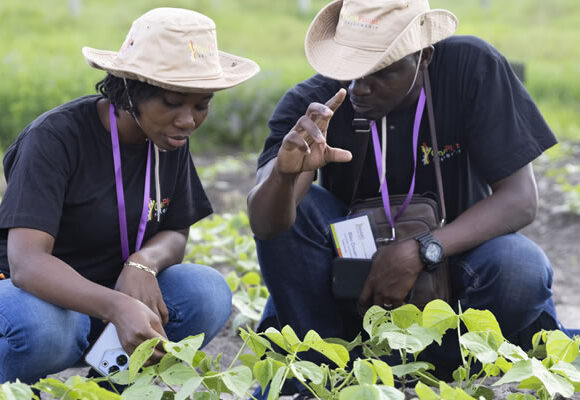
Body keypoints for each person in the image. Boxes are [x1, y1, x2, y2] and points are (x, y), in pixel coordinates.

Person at [247, 0, 578, 389]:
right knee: (298, 210)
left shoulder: (470, 68)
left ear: (423, 58)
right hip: (355, 281)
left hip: (455, 266)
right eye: (352, 69)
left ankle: (444, 364)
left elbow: (520, 199)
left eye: (381, 72)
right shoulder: (317, 103)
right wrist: (285, 177)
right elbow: (268, 226)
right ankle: (328, 368)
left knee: (521, 268)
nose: (360, 87)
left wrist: (421, 249)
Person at [0, 7, 259, 383]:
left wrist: (142, 262)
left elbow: (175, 232)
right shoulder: (55, 139)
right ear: (128, 91)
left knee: (206, 292)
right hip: (35, 296)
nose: (188, 120)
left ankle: (107, 384)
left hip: (116, 296)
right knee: (48, 329)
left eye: (201, 105)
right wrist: (117, 305)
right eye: (172, 102)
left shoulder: (169, 139)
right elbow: (26, 263)